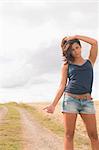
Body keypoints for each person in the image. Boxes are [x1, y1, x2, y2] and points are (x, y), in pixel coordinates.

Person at [43, 35, 99, 150]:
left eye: (77, 48)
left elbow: (94, 43)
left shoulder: (90, 62)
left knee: (94, 135)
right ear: (69, 52)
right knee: (69, 135)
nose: (75, 51)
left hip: (87, 102)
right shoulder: (66, 65)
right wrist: (53, 105)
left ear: (81, 47)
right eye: (72, 50)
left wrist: (76, 36)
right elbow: (62, 85)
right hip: (70, 101)